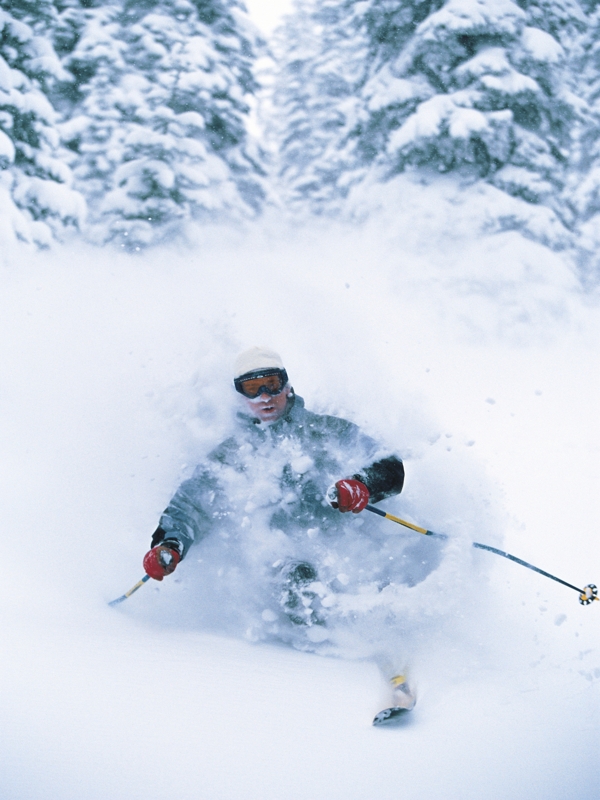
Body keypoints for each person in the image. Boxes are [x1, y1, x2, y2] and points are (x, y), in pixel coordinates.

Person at [142, 346, 416, 716]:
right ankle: (328, 670)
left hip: (346, 542)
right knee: (300, 584)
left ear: (288, 386)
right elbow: (191, 506)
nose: (265, 397)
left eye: (272, 384)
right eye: (252, 388)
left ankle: (394, 664)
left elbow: (390, 467)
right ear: (239, 397)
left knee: (369, 583)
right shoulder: (231, 456)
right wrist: (170, 544)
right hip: (282, 553)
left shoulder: (327, 431)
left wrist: (361, 484)